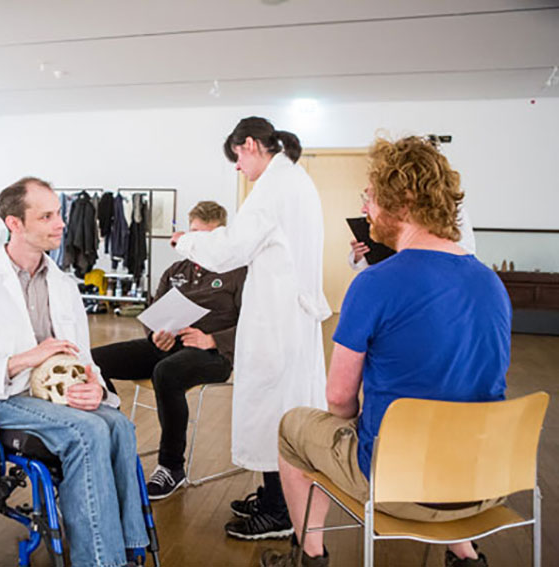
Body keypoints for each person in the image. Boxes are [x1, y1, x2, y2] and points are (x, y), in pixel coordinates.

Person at [260, 136, 511, 567]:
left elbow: (339, 399)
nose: (365, 208)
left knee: (292, 426)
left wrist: (341, 440)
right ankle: (466, 557)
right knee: (453, 410)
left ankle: (310, 556)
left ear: (405, 200)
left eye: (371, 196)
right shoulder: (491, 282)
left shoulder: (374, 284)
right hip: (484, 481)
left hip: (399, 484)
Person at [0, 176, 148, 567]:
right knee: (89, 432)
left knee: (119, 425)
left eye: (59, 214)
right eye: (47, 216)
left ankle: (131, 547)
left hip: (54, 396)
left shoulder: (65, 285)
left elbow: (84, 357)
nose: (61, 224)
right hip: (4, 398)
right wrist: (24, 359)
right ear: (14, 223)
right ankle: (101, 561)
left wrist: (95, 387)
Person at [170, 117, 330, 540]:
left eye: (237, 157)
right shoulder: (295, 181)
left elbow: (229, 250)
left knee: (273, 410)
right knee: (280, 407)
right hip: (287, 316)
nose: (237, 167)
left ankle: (279, 510)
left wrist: (187, 241)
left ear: (251, 145)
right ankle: (274, 495)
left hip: (278, 319)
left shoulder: (273, 188)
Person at [92, 200, 246, 500]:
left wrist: (213, 340)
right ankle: (113, 445)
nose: (197, 242)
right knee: (94, 362)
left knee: (168, 372)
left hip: (213, 355)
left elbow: (255, 325)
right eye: (193, 234)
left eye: (207, 237)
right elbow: (154, 312)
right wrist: (155, 335)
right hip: (168, 346)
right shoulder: (177, 269)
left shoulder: (239, 273)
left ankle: (171, 467)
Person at [349, 204, 476, 270]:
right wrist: (358, 256)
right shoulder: (383, 207)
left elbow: (466, 250)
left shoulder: (453, 209)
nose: (364, 209)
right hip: (393, 275)